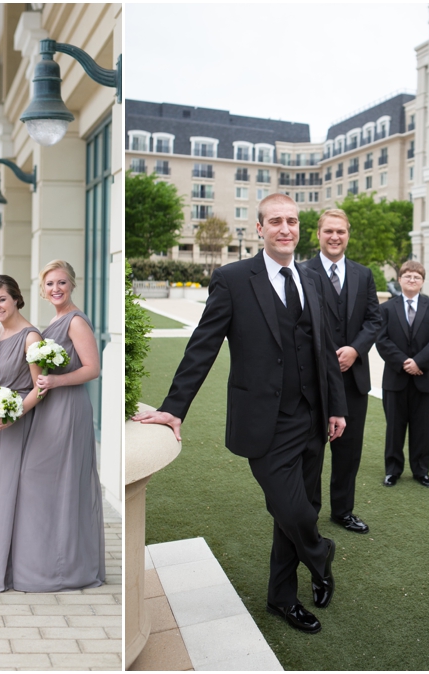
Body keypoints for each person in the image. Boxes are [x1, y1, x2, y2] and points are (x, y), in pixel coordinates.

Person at [134, 194, 347, 635]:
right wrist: (175, 408)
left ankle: (282, 598)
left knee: (301, 507)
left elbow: (324, 350)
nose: (285, 228)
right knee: (291, 509)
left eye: (291, 221)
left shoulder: (312, 278)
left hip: (312, 417)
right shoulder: (233, 278)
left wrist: (337, 408)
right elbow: (203, 345)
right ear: (259, 229)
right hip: (264, 422)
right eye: (275, 222)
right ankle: (321, 556)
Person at [11, 260, 105, 592]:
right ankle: (46, 562)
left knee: (61, 483)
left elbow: (93, 368)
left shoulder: (76, 321)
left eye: (62, 283)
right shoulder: (53, 320)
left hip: (68, 407)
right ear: (42, 288)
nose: (56, 289)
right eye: (50, 284)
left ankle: (65, 569)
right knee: (42, 482)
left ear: (72, 284)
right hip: (49, 408)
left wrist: (56, 380)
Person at [301, 208, 382, 535]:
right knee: (313, 451)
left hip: (353, 381)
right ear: (318, 234)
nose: (335, 237)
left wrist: (355, 349)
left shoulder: (364, 274)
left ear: (348, 234)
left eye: (341, 232)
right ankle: (308, 513)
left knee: (348, 452)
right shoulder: (301, 271)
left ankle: (343, 511)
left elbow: (374, 320)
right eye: (329, 231)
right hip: (314, 382)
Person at [0, 275, 43, 592]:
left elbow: (40, 389)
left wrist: (12, 414)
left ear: (16, 298)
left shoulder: (31, 338)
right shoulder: (0, 331)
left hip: (15, 423)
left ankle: (8, 571)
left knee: (8, 494)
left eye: (1, 300)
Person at [376, 261, 429, 488]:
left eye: (417, 277)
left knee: (422, 427)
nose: (412, 280)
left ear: (423, 281)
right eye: (407, 276)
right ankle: (393, 470)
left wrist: (419, 363)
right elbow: (382, 340)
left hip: (423, 379)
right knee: (394, 427)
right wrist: (404, 363)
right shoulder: (386, 308)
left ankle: (421, 470)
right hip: (395, 378)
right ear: (400, 279)